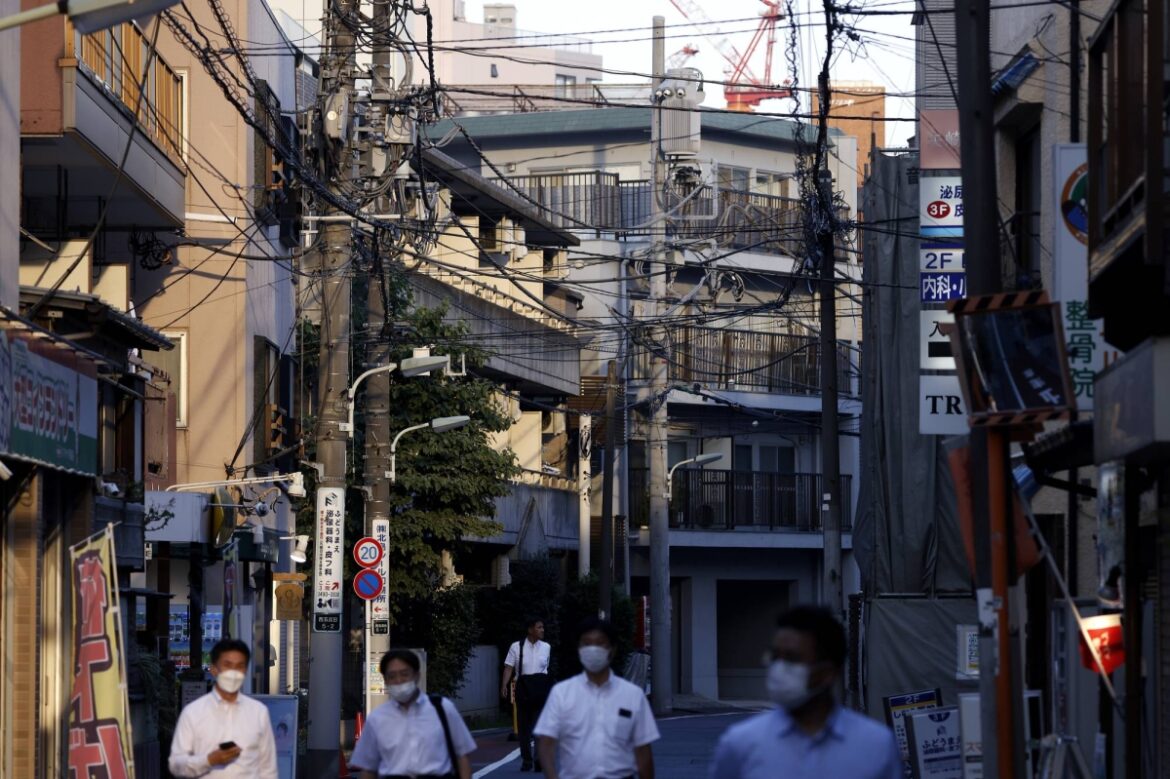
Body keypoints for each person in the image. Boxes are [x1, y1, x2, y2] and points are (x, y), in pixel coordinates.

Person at [708, 605, 903, 779]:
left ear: (828, 672)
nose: (779, 668)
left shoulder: (877, 745)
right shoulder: (740, 743)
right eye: (775, 657)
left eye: (792, 659)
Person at [534, 617, 659, 779]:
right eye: (587, 643)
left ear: (612, 649)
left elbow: (643, 751)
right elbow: (546, 743)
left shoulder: (632, 695)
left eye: (600, 643)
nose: (593, 649)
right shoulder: (562, 693)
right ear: (579, 649)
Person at [349, 649, 476, 779]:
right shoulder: (377, 718)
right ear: (385, 680)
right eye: (392, 676)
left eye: (404, 674)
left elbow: (462, 756)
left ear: (417, 676)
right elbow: (368, 769)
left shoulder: (442, 709)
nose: (398, 680)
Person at [168, 638, 278, 778]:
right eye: (227, 665)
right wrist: (208, 760)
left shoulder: (258, 712)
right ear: (214, 669)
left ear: (245, 670)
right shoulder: (193, 713)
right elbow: (176, 764)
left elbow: (268, 768)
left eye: (239, 666)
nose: (233, 672)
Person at [500, 616, 552, 772]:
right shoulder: (516, 646)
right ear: (530, 630)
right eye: (539, 627)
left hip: (540, 688)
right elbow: (509, 667)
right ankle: (527, 760)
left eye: (543, 627)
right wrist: (504, 685)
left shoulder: (547, 647)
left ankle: (538, 760)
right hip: (522, 688)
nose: (542, 630)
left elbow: (546, 668)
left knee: (539, 726)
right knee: (524, 728)